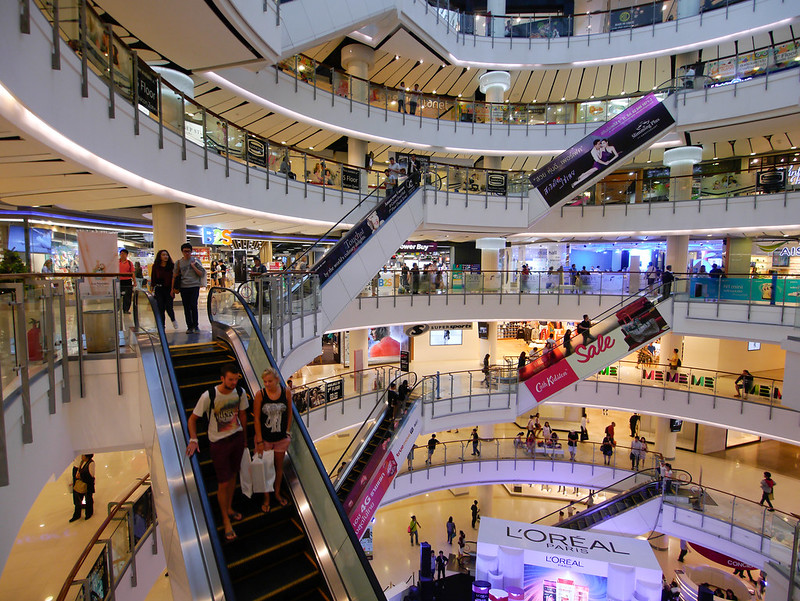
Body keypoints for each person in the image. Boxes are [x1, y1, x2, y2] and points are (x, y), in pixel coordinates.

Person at [186, 363, 248, 541]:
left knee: (234, 475)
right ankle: (225, 520)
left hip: (236, 438)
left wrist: (244, 439)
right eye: (230, 379)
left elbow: (243, 415)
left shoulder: (240, 392)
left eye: (236, 379)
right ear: (222, 378)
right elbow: (192, 419)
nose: (234, 382)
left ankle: (229, 507)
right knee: (223, 482)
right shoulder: (209, 396)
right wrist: (193, 439)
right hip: (219, 443)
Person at [253, 366, 292, 512]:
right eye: (265, 381)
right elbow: (256, 419)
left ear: (276, 380)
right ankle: (266, 497)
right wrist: (259, 441)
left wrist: (287, 431)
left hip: (281, 438)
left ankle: (276, 493)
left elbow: (289, 412)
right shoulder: (260, 395)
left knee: (278, 467)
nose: (267, 384)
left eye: (270, 381)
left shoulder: (286, 392)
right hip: (266, 439)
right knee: (266, 469)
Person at [174, 243, 206, 334]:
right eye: (185, 251)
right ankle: (189, 326)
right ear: (182, 252)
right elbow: (175, 275)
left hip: (194, 286)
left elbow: (201, 274)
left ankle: (196, 326)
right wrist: (173, 288)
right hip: (184, 287)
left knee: (193, 305)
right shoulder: (178, 263)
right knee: (186, 307)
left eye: (188, 251)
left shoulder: (196, 261)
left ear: (191, 251)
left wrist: (193, 266)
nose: (187, 253)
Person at [150, 249, 179, 329]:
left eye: (166, 255)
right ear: (159, 256)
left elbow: (174, 278)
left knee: (169, 307)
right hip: (159, 289)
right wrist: (152, 288)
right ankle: (162, 325)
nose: (165, 256)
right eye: (163, 255)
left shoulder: (171, 266)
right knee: (160, 307)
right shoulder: (155, 266)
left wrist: (173, 289)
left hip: (169, 289)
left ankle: (173, 319)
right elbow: (153, 278)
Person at [70, 454, 95, 522]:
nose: (81, 456)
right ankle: (77, 515)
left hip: (88, 485)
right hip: (81, 484)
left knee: (88, 499)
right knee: (78, 499)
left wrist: (81, 476)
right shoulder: (81, 462)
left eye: (83, 455)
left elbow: (91, 476)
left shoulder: (91, 463)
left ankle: (88, 514)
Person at [118, 248, 135, 314]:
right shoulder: (116, 262)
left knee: (127, 296)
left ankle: (126, 309)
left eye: (124, 254)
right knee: (117, 295)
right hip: (119, 281)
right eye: (121, 254)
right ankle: (117, 309)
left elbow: (132, 273)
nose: (122, 255)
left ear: (126, 255)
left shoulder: (129, 263)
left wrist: (134, 281)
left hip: (127, 281)